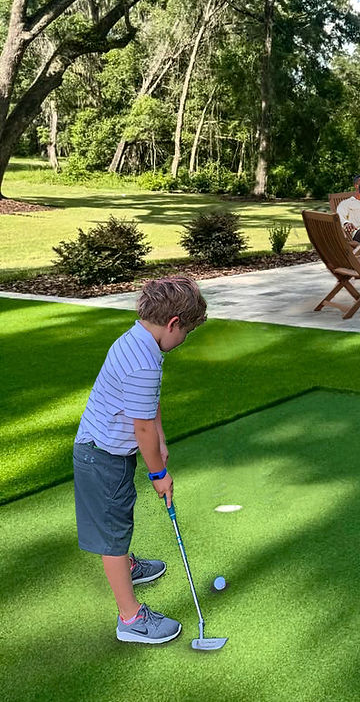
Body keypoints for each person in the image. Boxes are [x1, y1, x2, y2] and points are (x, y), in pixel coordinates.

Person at [73, 276, 208, 644]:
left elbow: (148, 407)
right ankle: (130, 619)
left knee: (119, 517)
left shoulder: (137, 340)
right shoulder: (144, 363)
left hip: (106, 449)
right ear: (173, 323)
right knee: (113, 535)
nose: (184, 339)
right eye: (187, 332)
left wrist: (161, 440)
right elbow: (142, 428)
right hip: (101, 456)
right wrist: (159, 473)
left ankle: (128, 566)